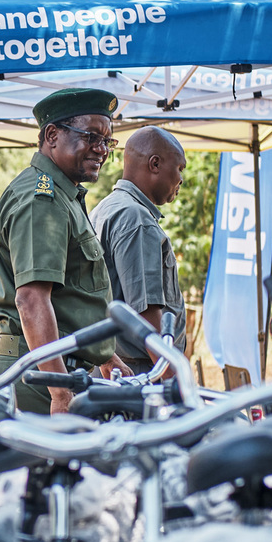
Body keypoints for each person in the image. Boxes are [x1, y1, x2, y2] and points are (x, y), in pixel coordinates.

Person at [0, 88, 131, 414]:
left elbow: (71, 299)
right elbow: (31, 299)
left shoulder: (62, 195)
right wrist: (59, 391)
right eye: (92, 136)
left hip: (46, 368)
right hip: (39, 375)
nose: (101, 150)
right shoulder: (42, 201)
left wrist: (106, 357)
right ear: (52, 135)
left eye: (107, 141)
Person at [90, 126, 188, 374]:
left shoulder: (106, 208)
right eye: (179, 169)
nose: (181, 180)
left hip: (118, 366)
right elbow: (144, 312)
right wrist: (171, 374)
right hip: (141, 371)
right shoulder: (136, 219)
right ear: (155, 164)